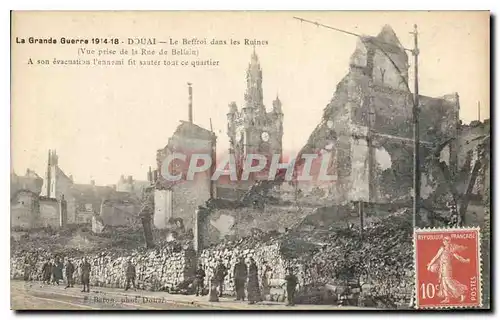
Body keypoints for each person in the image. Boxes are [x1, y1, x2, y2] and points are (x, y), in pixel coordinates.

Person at [427, 236, 470, 303]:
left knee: (448, 282)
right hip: (442, 268)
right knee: (443, 283)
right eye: (444, 240)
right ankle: (447, 298)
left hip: (447, 268)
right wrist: (430, 264)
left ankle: (462, 292)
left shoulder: (451, 250)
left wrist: (465, 261)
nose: (445, 242)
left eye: (446, 241)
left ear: (449, 242)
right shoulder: (442, 249)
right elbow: (436, 257)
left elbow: (458, 257)